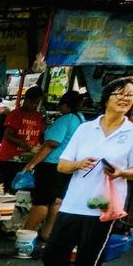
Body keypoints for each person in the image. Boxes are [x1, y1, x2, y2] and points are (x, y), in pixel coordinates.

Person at [44, 77, 133, 266]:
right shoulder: (85, 129)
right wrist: (79, 163)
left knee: (89, 260)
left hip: (103, 208)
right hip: (73, 203)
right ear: (106, 98)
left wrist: (122, 172)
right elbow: (63, 165)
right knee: (52, 254)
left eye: (130, 95)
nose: (125, 99)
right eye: (120, 94)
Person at [21, 90, 86, 243]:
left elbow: (51, 143)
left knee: (41, 200)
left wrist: (31, 164)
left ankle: (25, 235)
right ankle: (47, 233)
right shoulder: (81, 119)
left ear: (64, 105)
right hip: (68, 165)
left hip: (51, 165)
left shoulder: (66, 119)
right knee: (57, 200)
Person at [0, 86, 45, 193]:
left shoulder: (38, 117)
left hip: (27, 160)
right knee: (9, 189)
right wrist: (24, 144)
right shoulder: (15, 115)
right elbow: (8, 134)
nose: (34, 105)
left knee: (23, 191)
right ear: (26, 99)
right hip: (10, 159)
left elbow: (41, 135)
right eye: (32, 102)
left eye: (37, 103)